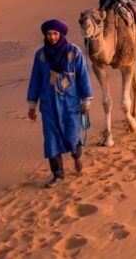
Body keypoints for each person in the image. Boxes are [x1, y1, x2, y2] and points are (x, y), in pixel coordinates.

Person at [27, 19, 93, 188]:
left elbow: (83, 76)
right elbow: (35, 79)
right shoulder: (41, 55)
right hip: (48, 106)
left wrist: (86, 100)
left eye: (55, 33)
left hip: (71, 105)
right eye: (49, 34)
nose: (52, 37)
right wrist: (32, 105)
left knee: (72, 136)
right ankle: (58, 174)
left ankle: (77, 156)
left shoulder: (74, 52)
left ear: (61, 34)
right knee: (51, 140)